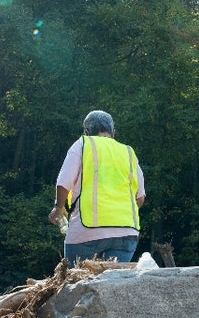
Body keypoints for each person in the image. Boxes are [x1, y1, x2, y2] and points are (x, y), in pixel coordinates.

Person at [47, 110, 145, 265]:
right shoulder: (128, 152)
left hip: (87, 231)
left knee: (78, 283)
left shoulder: (82, 145)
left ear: (87, 131)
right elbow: (140, 198)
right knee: (113, 285)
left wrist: (58, 208)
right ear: (113, 132)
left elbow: (63, 183)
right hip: (126, 233)